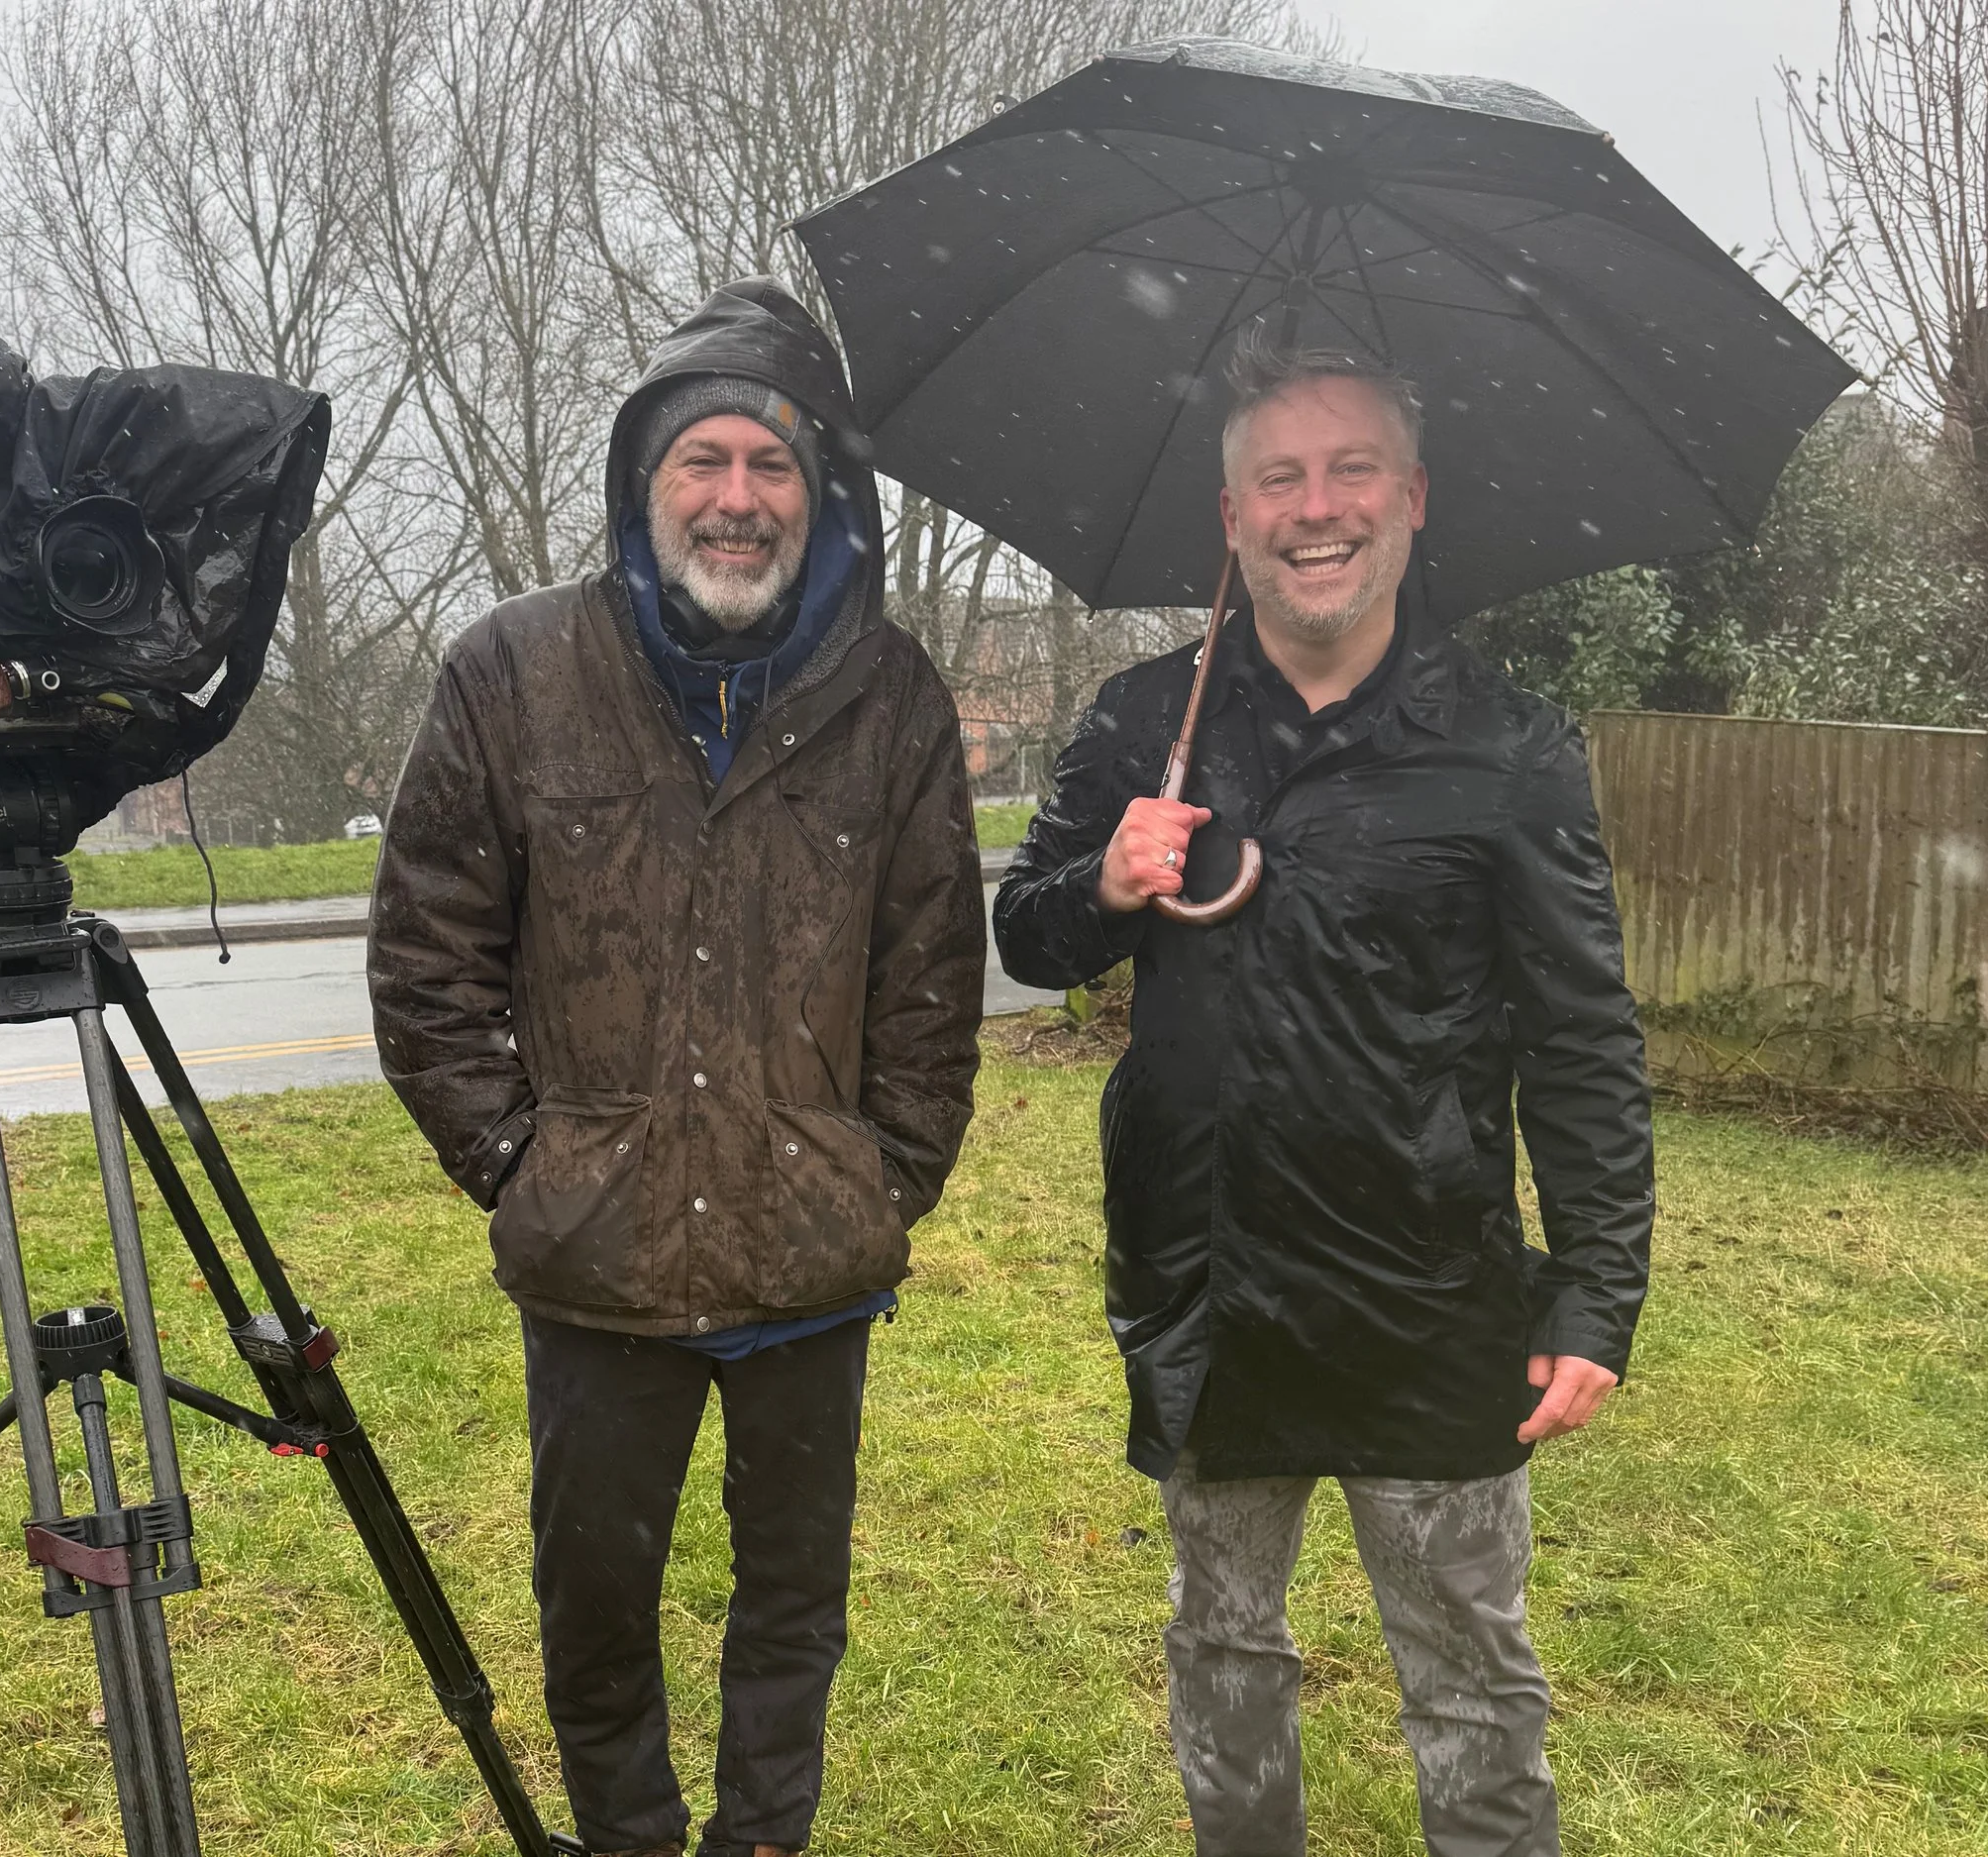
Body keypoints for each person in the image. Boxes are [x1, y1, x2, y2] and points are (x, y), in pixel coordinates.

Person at [993, 332, 1654, 1857]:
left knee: (1475, 1683)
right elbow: (1025, 935)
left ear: (1412, 497)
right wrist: (1106, 879)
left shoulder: (1506, 745)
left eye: (1353, 467)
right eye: (1277, 476)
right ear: (1229, 517)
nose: (1317, 506)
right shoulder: (1143, 720)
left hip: (1433, 1293)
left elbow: (1580, 1036)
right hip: (1208, 1284)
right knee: (1223, 1652)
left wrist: (1597, 1289)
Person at [368, 276, 984, 1857]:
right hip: (598, 1260)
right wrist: (528, 1161)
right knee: (595, 1603)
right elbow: (429, 954)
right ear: (645, 483)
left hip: (813, 1260)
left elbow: (931, 981)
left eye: (772, 465)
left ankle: (762, 1836)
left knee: (794, 1605)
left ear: (820, 490)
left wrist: (878, 1167)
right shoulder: (512, 674)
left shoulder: (895, 698)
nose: (736, 497)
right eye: (702, 459)